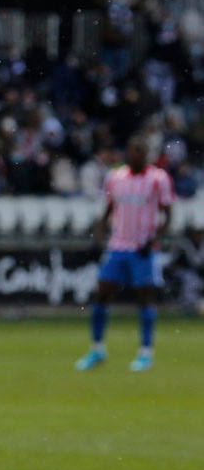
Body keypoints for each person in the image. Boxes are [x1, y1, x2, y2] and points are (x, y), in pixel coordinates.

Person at [75, 136, 174, 372]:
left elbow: (169, 214)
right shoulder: (115, 177)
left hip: (143, 248)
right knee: (101, 294)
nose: (137, 155)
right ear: (128, 153)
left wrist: (154, 240)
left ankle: (145, 353)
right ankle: (97, 348)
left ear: (147, 154)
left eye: (141, 151)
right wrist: (97, 237)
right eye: (134, 150)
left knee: (145, 297)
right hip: (118, 246)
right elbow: (108, 209)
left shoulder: (158, 179)